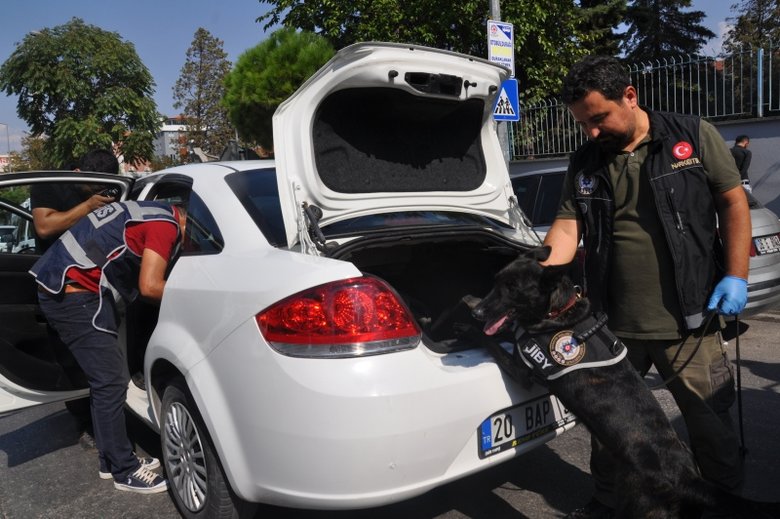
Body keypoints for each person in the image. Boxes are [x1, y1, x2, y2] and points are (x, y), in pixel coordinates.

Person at [542, 55, 751, 519]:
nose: (591, 132)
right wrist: (540, 273)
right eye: (582, 124)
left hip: (690, 322)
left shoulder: (691, 136)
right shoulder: (586, 160)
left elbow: (733, 202)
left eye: (598, 118)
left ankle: (724, 507)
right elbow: (566, 224)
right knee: (611, 430)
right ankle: (608, 504)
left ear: (630, 96)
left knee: (711, 430)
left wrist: (737, 274)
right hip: (613, 328)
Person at [29, 200, 187, 494]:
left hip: (61, 287)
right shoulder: (165, 226)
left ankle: (109, 459)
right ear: (188, 223)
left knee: (104, 383)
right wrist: (198, 295)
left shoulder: (147, 209)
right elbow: (150, 286)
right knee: (110, 382)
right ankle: (124, 471)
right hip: (77, 297)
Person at [30, 149, 121, 451]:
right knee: (70, 360)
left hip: (105, 281)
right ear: (79, 172)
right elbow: (44, 226)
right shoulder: (50, 183)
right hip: (62, 286)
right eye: (94, 187)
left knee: (105, 357)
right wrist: (90, 205)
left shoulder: (108, 188)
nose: (101, 193)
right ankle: (85, 422)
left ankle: (107, 412)